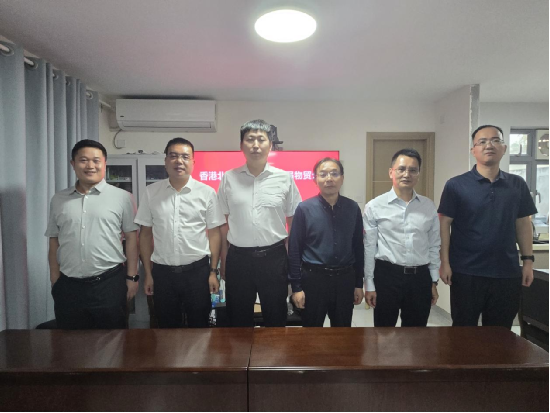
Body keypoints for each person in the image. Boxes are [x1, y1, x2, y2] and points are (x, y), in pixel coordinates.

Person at [439, 125, 537, 329]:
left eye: (495, 140)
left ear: (504, 148)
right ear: (473, 150)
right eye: (482, 142)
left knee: (500, 333)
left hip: (506, 272)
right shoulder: (456, 185)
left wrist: (528, 261)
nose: (489, 145)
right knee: (463, 330)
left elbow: (523, 223)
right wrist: (445, 263)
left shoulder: (517, 184)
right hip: (466, 272)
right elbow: (444, 224)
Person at [46, 140, 139, 330]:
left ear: (104, 163)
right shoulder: (58, 199)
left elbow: (132, 239)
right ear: (73, 164)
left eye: (96, 160)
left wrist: (132, 277)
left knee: (113, 341)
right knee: (70, 342)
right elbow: (54, 240)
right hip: (68, 285)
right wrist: (55, 279)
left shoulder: (122, 197)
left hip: (108, 284)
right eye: (83, 160)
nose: (90, 166)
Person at [218, 119, 302, 327]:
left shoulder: (284, 178)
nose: (255, 145)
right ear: (241, 145)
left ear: (270, 145)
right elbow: (223, 224)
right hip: (239, 259)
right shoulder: (228, 178)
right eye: (250, 139)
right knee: (238, 319)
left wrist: (292, 261)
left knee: (276, 317)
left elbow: (293, 223)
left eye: (261, 139)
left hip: (274, 258)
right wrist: (224, 259)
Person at [136, 138, 225, 328]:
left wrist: (213, 272)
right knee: (167, 328)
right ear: (165, 161)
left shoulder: (206, 192)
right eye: (174, 156)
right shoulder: (151, 193)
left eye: (185, 157)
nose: (179, 161)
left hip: (197, 273)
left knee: (199, 327)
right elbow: (144, 235)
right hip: (163, 274)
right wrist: (148, 274)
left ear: (193, 162)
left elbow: (214, 234)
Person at [364, 149, 440, 327]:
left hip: (420, 278)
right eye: (401, 169)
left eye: (413, 170)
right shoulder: (375, 206)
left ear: (418, 174)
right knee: (383, 333)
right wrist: (369, 284)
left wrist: (433, 280)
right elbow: (369, 248)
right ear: (391, 172)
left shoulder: (428, 206)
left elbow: (434, 245)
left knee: (416, 333)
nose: (407, 174)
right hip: (387, 276)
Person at [288, 158, 364, 327]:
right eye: (323, 174)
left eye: (334, 174)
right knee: (312, 332)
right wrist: (296, 288)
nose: (329, 178)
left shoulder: (352, 208)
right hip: (314, 280)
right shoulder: (304, 209)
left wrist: (358, 284)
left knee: (343, 333)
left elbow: (358, 247)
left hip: (344, 280)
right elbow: (294, 250)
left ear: (342, 178)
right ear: (315, 179)